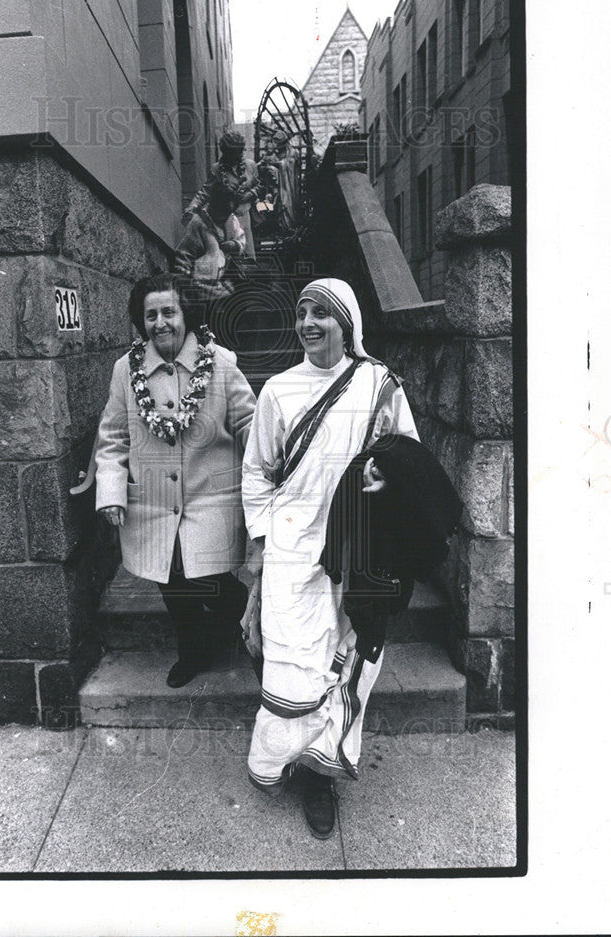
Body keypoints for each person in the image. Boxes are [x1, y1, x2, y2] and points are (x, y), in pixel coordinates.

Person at [240, 278, 419, 839]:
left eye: (322, 313)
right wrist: (268, 547)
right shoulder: (278, 391)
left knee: (346, 662)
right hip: (293, 553)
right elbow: (256, 472)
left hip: (356, 550)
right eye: (302, 313)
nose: (309, 323)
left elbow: (409, 457)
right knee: (293, 664)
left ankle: (319, 776)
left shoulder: (378, 386)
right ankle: (287, 760)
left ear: (348, 324)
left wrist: (385, 476)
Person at [95, 272, 257, 688]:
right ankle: (193, 650)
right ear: (141, 320)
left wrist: (269, 475)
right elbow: (112, 436)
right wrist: (111, 491)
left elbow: (250, 424)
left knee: (209, 579)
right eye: (151, 315)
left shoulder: (219, 363)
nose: (161, 322)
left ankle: (260, 635)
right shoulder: (124, 370)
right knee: (171, 584)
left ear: (186, 314)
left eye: (169, 311)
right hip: (151, 503)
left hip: (210, 496)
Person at [184, 130, 259, 258]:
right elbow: (205, 191)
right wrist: (192, 207)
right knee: (229, 256)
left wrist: (251, 193)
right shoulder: (217, 169)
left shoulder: (250, 165)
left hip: (245, 217)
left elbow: (259, 185)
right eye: (235, 152)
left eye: (240, 151)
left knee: (248, 256)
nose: (239, 154)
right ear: (227, 152)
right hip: (226, 220)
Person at [174, 181, 246, 298]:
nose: (224, 218)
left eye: (227, 214)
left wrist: (235, 245)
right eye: (221, 213)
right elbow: (183, 256)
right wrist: (186, 283)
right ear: (212, 207)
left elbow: (241, 238)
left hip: (223, 280)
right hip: (201, 284)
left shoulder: (232, 221)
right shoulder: (199, 224)